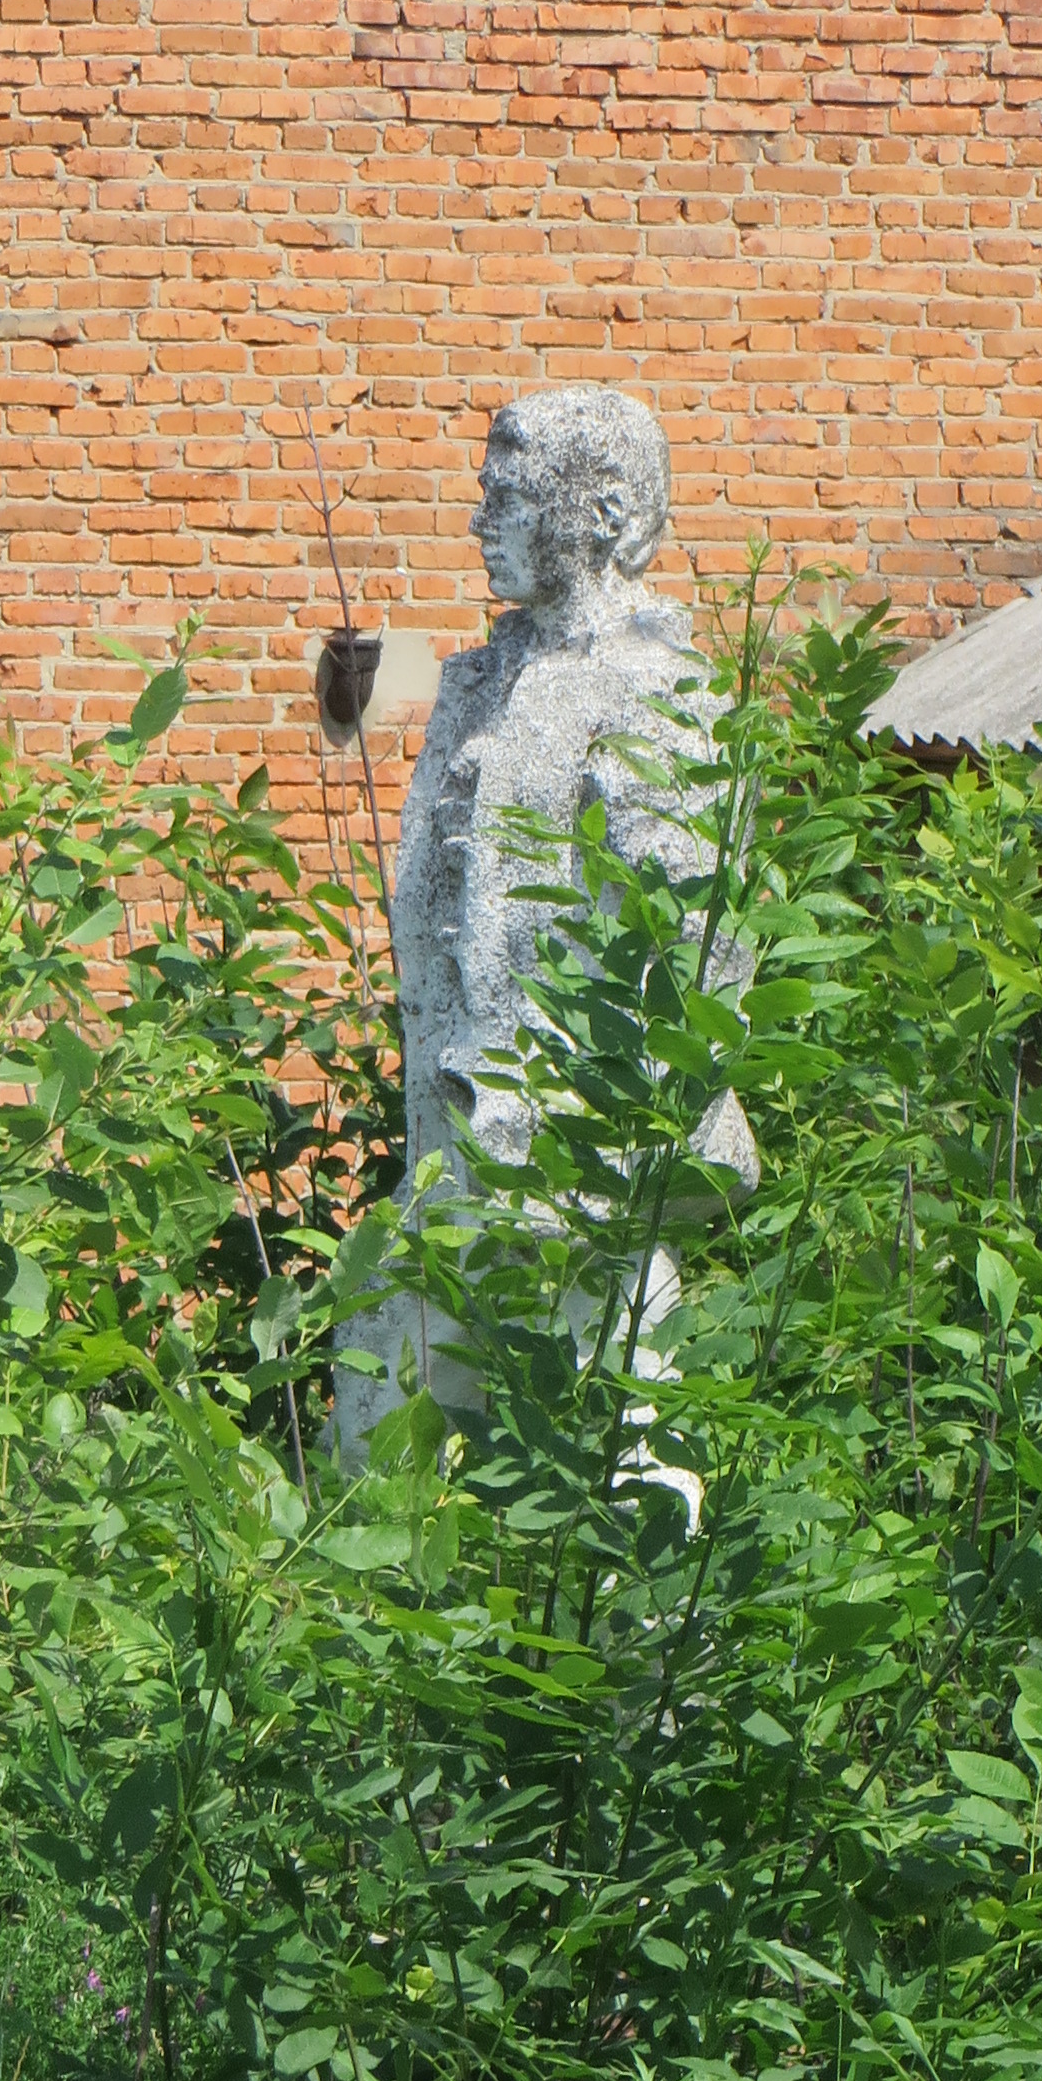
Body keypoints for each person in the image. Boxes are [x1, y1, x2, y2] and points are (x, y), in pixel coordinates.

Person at [334, 384, 750, 1475]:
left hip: (581, 1160)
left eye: (510, 496)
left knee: (620, 1446)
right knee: (382, 1414)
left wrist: (605, 1124)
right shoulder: (478, 685)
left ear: (604, 513)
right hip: (456, 1148)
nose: (482, 520)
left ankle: (644, 1588)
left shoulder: (659, 691)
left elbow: (696, 948)